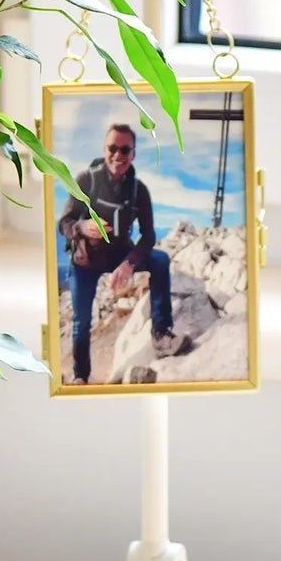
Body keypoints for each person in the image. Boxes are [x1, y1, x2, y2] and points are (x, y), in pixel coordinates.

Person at [58, 121, 189, 384]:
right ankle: (80, 376)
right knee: (82, 322)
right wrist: (83, 226)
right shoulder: (86, 180)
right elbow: (64, 224)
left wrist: (129, 264)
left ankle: (162, 334)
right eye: (112, 148)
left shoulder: (138, 191)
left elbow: (149, 235)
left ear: (133, 153)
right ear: (104, 149)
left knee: (160, 261)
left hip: (120, 255)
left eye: (125, 150)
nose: (118, 155)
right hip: (86, 260)